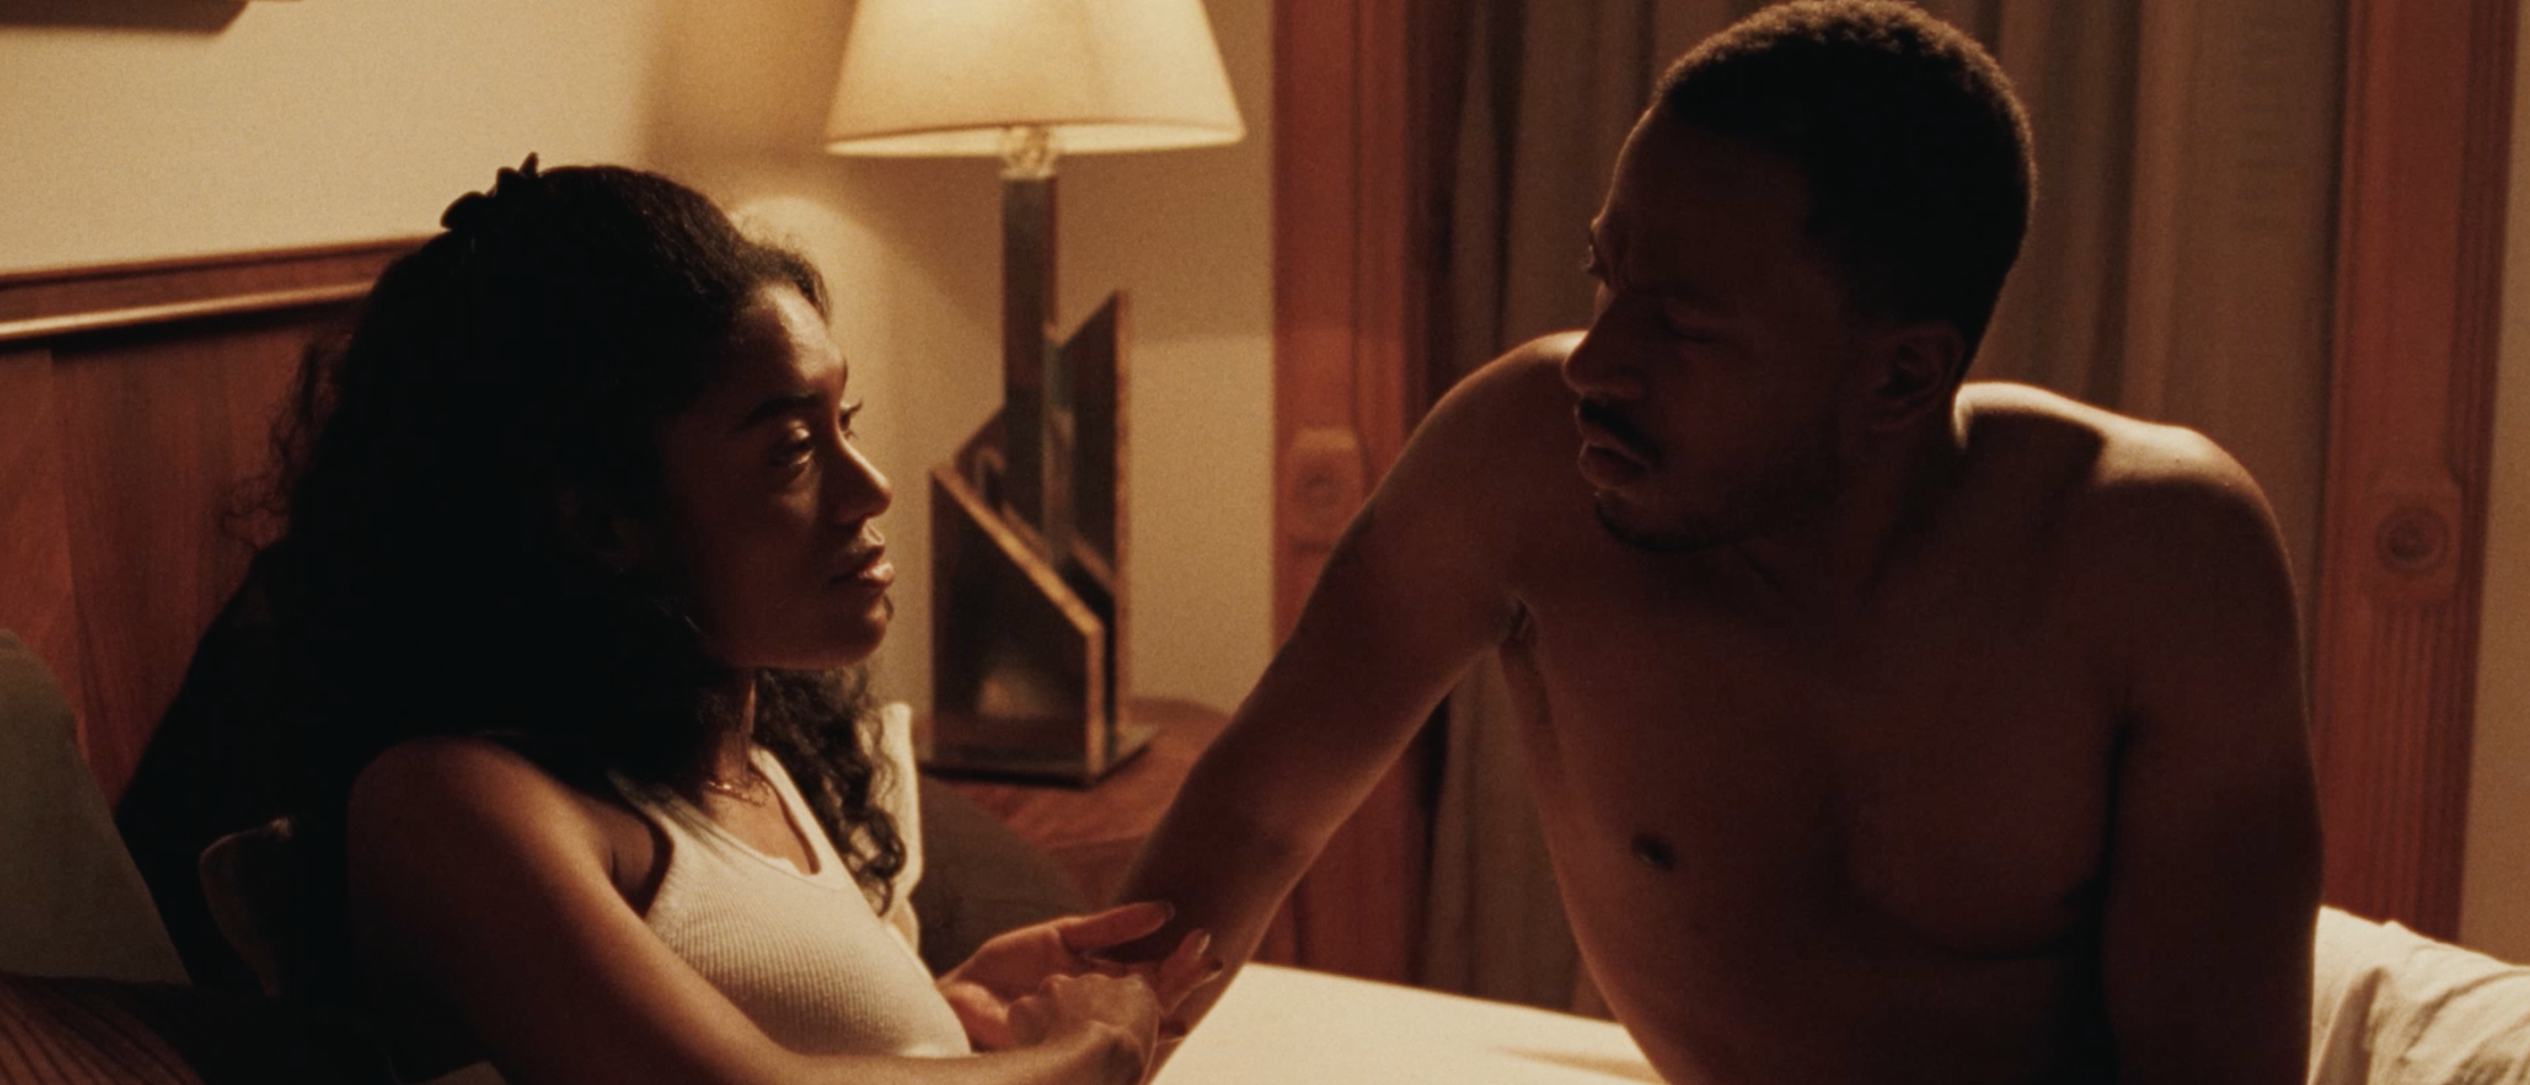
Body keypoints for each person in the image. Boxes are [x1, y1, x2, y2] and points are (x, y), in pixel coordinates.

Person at [1114, 3, 2320, 1083]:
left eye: (1685, 329)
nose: (1594, 364)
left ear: (1902, 376)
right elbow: (1258, 817)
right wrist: (1086, 1049)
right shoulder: (1517, 464)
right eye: (1605, 279)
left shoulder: (2154, 561)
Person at [260, 158, 1214, 1085]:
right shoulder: (451, 804)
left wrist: (935, 1015)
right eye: (793, 449)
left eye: (847, 421)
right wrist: (1087, 1054)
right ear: (602, 525)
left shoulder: (756, 771)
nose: (871, 486)